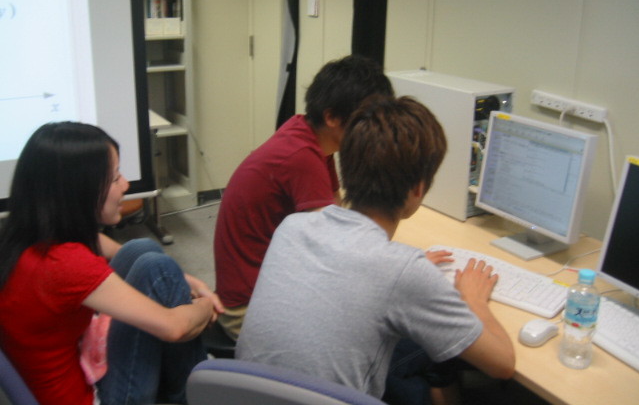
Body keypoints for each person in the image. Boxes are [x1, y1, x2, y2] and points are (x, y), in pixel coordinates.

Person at [236, 95, 516, 403]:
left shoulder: (292, 227)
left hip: (244, 396)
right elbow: (503, 365)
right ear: (418, 189)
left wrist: (403, 271)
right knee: (434, 352)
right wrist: (473, 299)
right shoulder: (403, 272)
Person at [0, 122, 225, 405]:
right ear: (81, 190)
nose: (126, 185)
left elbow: (109, 247)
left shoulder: (30, 232)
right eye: (115, 177)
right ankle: (196, 395)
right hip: (93, 398)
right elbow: (174, 327)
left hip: (66, 367)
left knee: (142, 249)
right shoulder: (65, 264)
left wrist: (188, 280)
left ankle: (189, 383)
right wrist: (205, 305)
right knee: (159, 271)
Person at [213, 54, 394, 341]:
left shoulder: (310, 135)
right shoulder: (302, 157)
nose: (373, 131)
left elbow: (337, 216)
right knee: (378, 326)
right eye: (366, 121)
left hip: (262, 285)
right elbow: (335, 246)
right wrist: (401, 266)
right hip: (247, 308)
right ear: (332, 117)